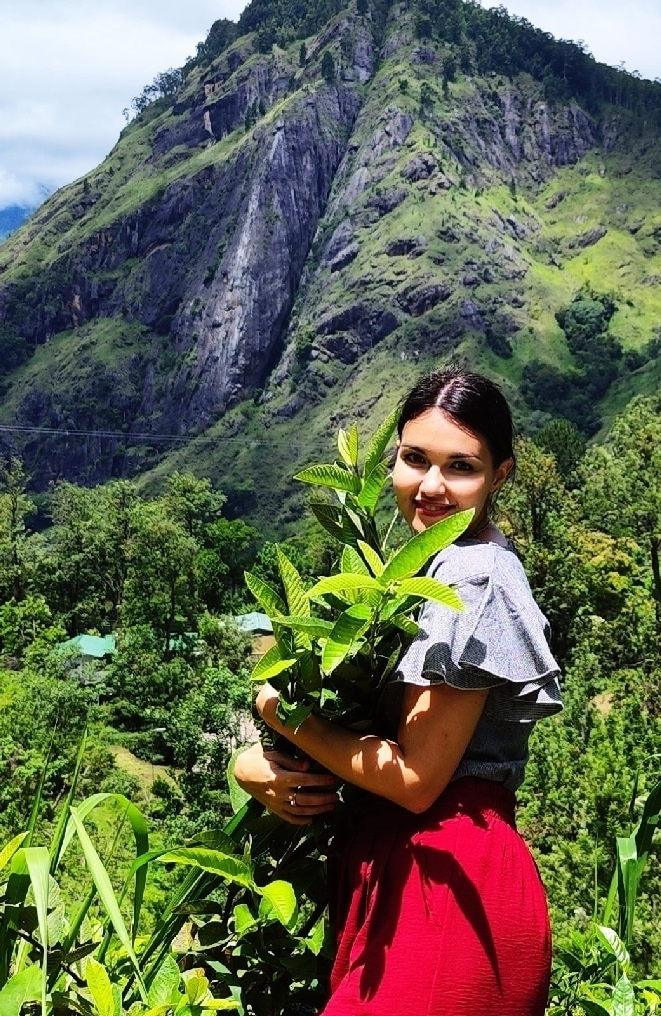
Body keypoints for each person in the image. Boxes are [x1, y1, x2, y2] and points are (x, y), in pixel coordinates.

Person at [232, 369, 562, 1016]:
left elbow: (414, 778)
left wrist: (278, 708)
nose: (431, 486)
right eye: (415, 459)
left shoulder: (473, 576)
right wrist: (255, 766)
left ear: (500, 476)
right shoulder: (420, 569)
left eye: (461, 467)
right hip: (401, 874)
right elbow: (363, 738)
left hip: (446, 883)